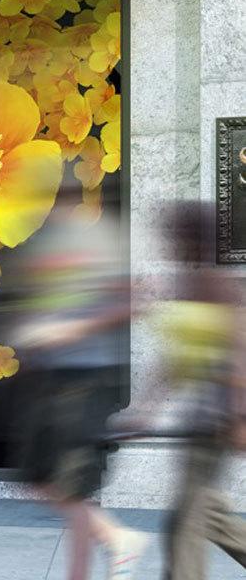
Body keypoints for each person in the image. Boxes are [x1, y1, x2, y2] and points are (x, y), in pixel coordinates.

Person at [11, 182, 146, 580]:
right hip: (47, 379)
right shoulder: (43, 243)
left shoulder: (99, 238)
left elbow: (131, 301)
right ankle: (116, 538)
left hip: (85, 379)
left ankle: (111, 546)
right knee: (38, 479)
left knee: (73, 485)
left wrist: (73, 331)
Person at [159, 200, 246, 580]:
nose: (168, 243)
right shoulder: (184, 283)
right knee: (200, 515)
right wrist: (146, 408)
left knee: (185, 528)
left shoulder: (215, 284)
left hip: (217, 422)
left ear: (194, 239)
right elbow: (175, 363)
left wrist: (239, 417)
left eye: (176, 235)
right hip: (195, 421)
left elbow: (239, 353)